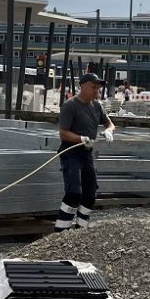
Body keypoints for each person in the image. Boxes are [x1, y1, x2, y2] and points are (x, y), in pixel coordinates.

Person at [55, 73, 115, 231]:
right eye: (93, 87)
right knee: (73, 193)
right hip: (71, 153)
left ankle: (81, 230)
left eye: (98, 88)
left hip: (86, 154)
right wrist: (80, 138)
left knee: (90, 194)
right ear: (82, 87)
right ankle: (61, 232)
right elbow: (63, 133)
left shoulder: (97, 106)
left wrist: (109, 130)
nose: (97, 91)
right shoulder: (70, 105)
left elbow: (110, 124)